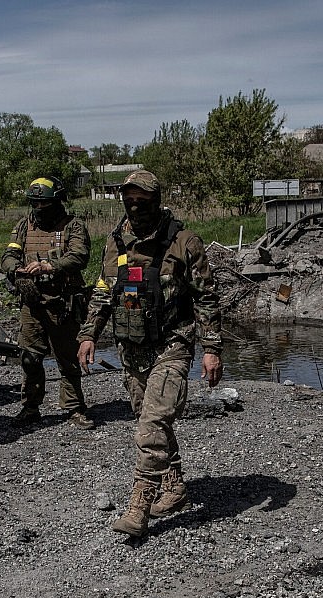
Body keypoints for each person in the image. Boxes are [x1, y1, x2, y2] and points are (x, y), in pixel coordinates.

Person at [77, 170, 223, 539]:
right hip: (131, 349)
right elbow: (102, 292)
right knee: (150, 421)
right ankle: (173, 489)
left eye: (142, 201)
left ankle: (139, 507)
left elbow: (206, 297)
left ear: (157, 201)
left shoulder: (184, 242)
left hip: (173, 344)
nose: (135, 208)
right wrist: (88, 335)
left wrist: (211, 349)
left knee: (151, 425)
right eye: (129, 201)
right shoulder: (114, 245)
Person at [2, 176, 94, 429]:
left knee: (67, 358)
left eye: (44, 204)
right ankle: (31, 407)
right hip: (31, 303)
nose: (39, 209)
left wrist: (49, 266)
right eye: (35, 203)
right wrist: (16, 269)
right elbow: (9, 254)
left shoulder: (73, 226)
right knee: (30, 358)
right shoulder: (24, 225)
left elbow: (79, 256)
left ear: (57, 202)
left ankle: (74, 408)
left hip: (62, 302)